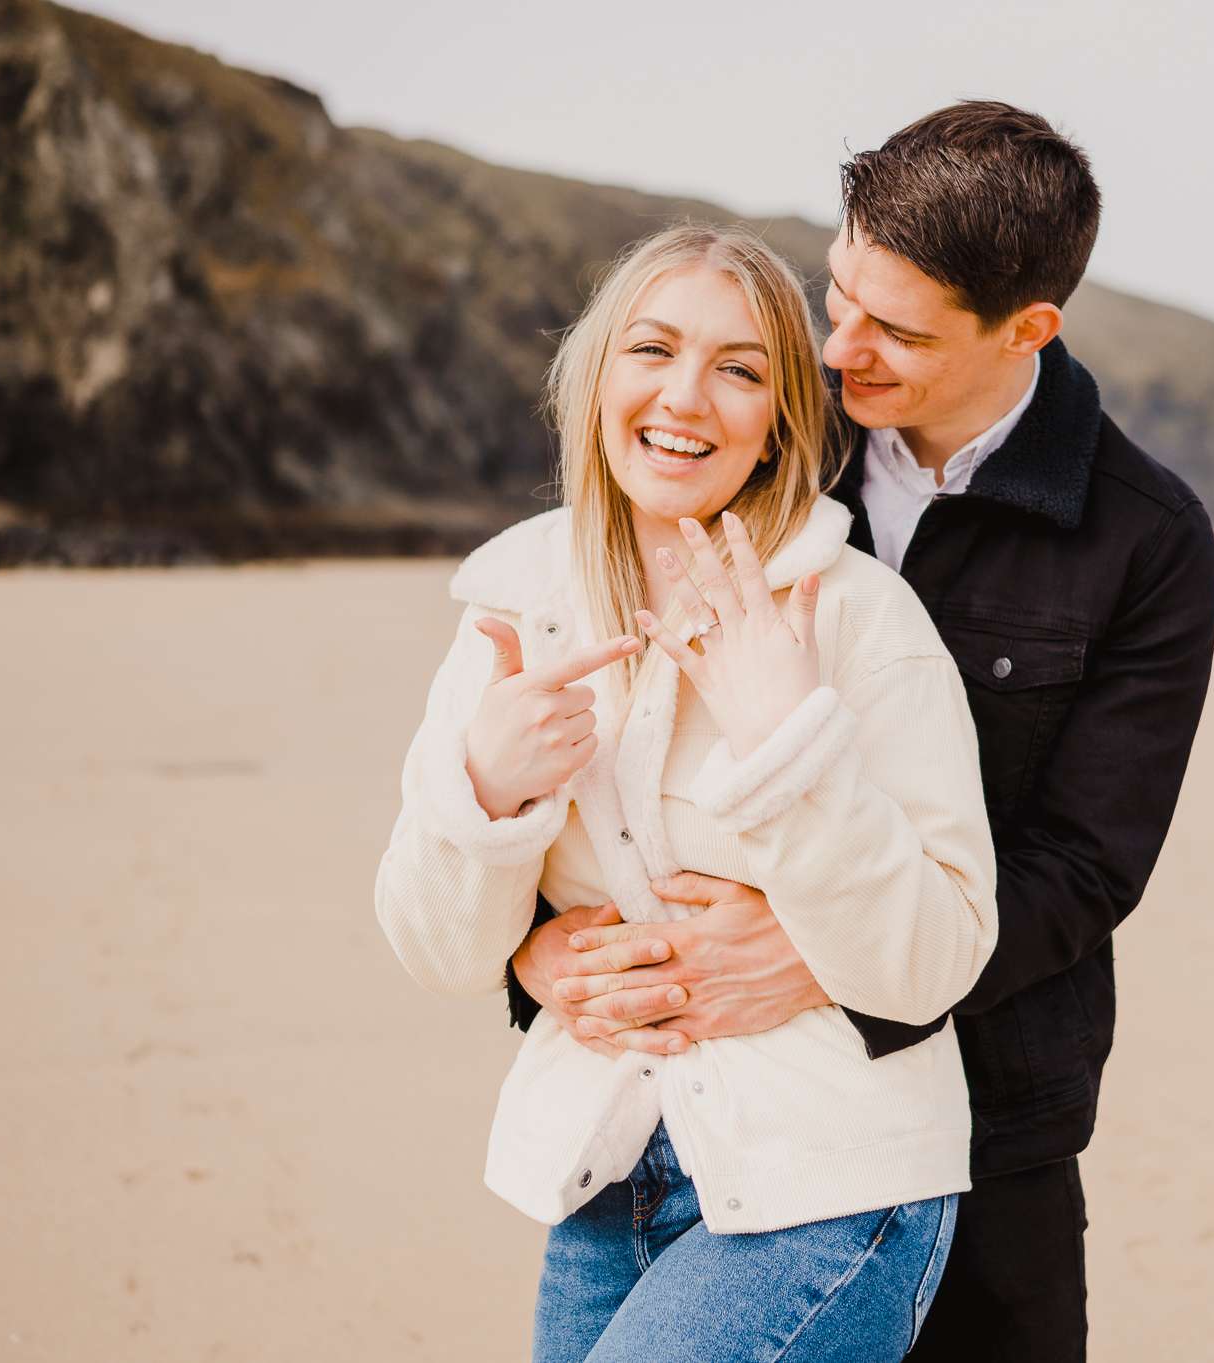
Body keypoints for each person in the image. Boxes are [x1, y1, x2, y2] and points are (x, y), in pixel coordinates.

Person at [506, 102, 1214, 1362]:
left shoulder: (1143, 539)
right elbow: (597, 732)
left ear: (1028, 330)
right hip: (691, 1093)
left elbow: (1085, 864)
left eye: (894, 329)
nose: (838, 351)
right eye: (837, 293)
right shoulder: (762, 427)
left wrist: (828, 954)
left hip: (994, 1102)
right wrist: (535, 949)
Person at [373, 224, 998, 1362]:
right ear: (596, 379)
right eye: (651, 349)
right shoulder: (515, 614)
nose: (686, 397)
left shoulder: (854, 619)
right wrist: (488, 790)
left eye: (741, 369)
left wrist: (786, 737)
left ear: (776, 428)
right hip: (605, 1169)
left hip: (834, 1182)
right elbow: (437, 949)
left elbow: (937, 957)